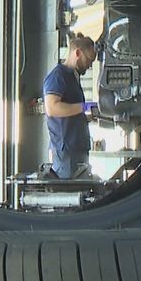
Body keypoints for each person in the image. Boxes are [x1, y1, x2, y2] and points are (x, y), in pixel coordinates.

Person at [43, 33, 97, 178]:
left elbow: (71, 111)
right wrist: (84, 107)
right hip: (66, 153)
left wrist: (85, 117)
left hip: (77, 149)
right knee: (69, 194)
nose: (90, 65)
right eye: (89, 60)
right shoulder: (58, 76)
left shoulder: (73, 78)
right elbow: (52, 108)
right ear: (78, 53)